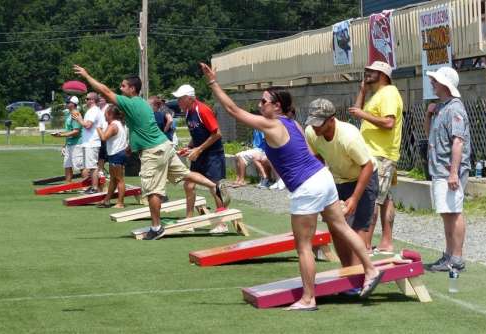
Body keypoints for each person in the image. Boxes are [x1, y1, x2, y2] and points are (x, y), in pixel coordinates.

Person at [201, 63, 383, 310]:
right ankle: (370, 270)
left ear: (276, 106)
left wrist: (213, 82)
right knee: (341, 227)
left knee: (304, 246)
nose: (259, 105)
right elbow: (309, 154)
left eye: (264, 102)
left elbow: (233, 110)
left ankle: (308, 299)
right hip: (323, 178)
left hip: (307, 187)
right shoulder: (293, 123)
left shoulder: (273, 124)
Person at [73, 65, 230, 240]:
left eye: (123, 86)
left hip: (153, 152)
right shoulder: (142, 103)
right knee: (185, 174)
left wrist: (87, 75)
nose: (120, 88)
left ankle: (156, 228)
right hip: (164, 146)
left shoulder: (131, 102)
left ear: (132, 89)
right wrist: (131, 146)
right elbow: (139, 128)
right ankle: (214, 186)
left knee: (152, 191)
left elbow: (104, 90)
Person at [305, 98, 379, 270]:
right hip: (338, 179)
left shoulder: (348, 136)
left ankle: (359, 274)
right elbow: (318, 159)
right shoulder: (311, 132)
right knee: (336, 227)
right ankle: (347, 270)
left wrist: (354, 198)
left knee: (358, 228)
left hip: (364, 177)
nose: (315, 127)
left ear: (331, 120)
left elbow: (367, 166)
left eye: (319, 124)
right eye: (313, 123)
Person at [349, 61, 403, 254]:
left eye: (370, 71)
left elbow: (389, 122)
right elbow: (356, 113)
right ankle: (386, 242)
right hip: (375, 153)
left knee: (371, 199)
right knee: (385, 197)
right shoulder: (377, 94)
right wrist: (362, 91)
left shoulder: (388, 93)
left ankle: (365, 244)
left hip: (381, 154)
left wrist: (364, 114)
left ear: (383, 74)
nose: (366, 73)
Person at [424, 67, 471, 272]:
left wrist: (454, 172)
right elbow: (430, 135)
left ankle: (456, 258)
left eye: (435, 80)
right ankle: (449, 254)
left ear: (445, 84)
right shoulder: (442, 107)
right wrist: (428, 115)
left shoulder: (454, 108)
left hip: (448, 170)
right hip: (440, 169)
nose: (432, 83)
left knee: (454, 212)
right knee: (447, 212)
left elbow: (458, 142)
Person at [173, 84, 229, 233]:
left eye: (180, 98)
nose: (178, 101)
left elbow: (217, 134)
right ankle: (189, 221)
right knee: (189, 185)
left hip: (212, 154)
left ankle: (222, 223)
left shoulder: (202, 110)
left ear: (190, 98)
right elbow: (196, 134)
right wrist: (190, 147)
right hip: (199, 153)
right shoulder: (187, 112)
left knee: (215, 186)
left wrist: (199, 149)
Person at [73, 92, 107, 194]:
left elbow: (87, 125)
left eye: (87, 99)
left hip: (92, 142)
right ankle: (93, 186)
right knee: (90, 166)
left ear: (92, 100)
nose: (86, 100)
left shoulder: (93, 111)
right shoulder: (92, 110)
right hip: (89, 142)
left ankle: (95, 188)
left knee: (92, 167)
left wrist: (79, 119)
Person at [96, 105, 128, 208]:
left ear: (110, 114)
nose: (104, 116)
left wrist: (98, 128)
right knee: (113, 179)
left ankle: (120, 203)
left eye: (105, 113)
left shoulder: (114, 125)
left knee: (119, 179)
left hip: (117, 154)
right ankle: (107, 200)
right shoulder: (119, 124)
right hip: (117, 153)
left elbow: (104, 137)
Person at [52, 96, 83, 183]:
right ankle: (68, 186)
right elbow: (69, 131)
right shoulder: (69, 114)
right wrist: (65, 145)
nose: (66, 104)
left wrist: (61, 135)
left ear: (73, 104)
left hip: (77, 144)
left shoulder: (75, 114)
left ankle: (88, 187)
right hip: (70, 144)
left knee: (80, 166)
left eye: (68, 102)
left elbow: (76, 131)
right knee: (67, 165)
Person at [96, 96, 110, 178]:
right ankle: (100, 170)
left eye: (102, 98)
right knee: (100, 153)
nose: (101, 99)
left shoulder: (109, 108)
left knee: (106, 153)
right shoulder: (97, 109)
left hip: (107, 133)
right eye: (99, 98)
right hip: (98, 135)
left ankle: (103, 170)